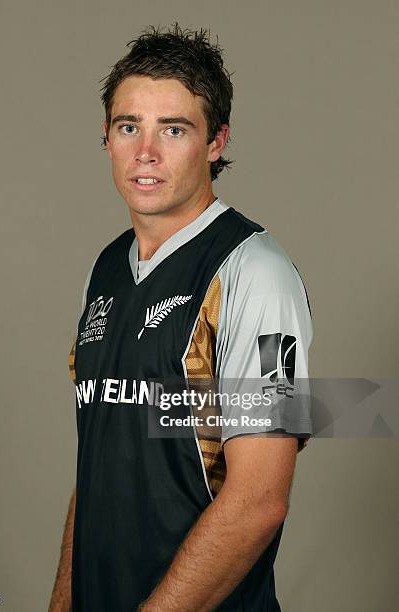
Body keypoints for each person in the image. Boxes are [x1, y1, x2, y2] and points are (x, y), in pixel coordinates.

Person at [49, 23, 313, 612]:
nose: (146, 152)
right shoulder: (104, 271)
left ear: (216, 142)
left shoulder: (254, 272)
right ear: (107, 137)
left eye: (173, 129)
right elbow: (98, 463)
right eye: (128, 127)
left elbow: (259, 499)